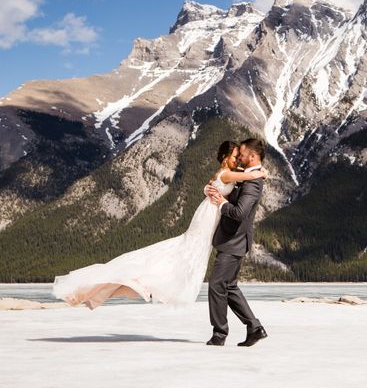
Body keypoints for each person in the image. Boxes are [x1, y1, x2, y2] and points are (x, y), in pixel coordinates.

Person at [52, 141, 267, 310]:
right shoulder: (228, 173)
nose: (239, 159)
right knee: (183, 251)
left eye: (240, 156)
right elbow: (250, 175)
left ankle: (123, 284)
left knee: (182, 252)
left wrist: (211, 190)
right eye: (235, 156)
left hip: (209, 215)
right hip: (208, 218)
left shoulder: (222, 174)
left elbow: (223, 184)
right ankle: (147, 281)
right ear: (225, 157)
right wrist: (262, 172)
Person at [204, 138, 268, 347]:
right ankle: (254, 328)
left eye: (241, 155)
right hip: (230, 239)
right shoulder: (248, 174)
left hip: (235, 240)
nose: (239, 158)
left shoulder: (253, 181)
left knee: (216, 285)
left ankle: (219, 334)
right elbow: (227, 178)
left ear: (252, 156)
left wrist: (221, 203)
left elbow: (240, 213)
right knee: (229, 286)